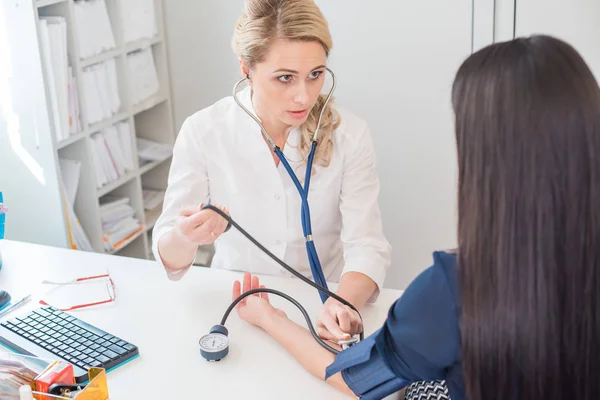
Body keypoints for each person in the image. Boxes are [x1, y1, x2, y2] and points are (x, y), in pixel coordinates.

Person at [231, 34, 600, 400]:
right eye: (285, 77)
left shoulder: (457, 291)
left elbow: (354, 377)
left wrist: (270, 318)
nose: (302, 95)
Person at [152, 0, 391, 342]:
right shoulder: (204, 131)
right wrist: (186, 236)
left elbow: (367, 245)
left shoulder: (349, 135)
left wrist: (342, 304)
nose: (303, 96)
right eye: (284, 78)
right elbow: (169, 259)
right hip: (236, 308)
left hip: (321, 307)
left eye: (315, 75)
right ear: (246, 68)